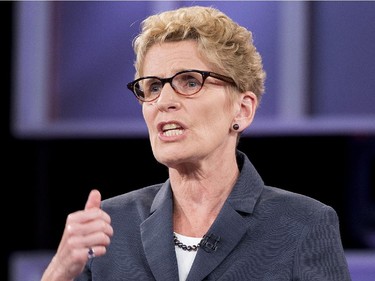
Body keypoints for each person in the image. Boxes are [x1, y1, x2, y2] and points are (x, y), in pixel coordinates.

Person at [41, 5, 351, 281]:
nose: (164, 101)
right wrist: (60, 271)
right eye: (151, 87)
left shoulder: (302, 224)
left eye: (190, 81)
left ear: (242, 109)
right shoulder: (110, 226)